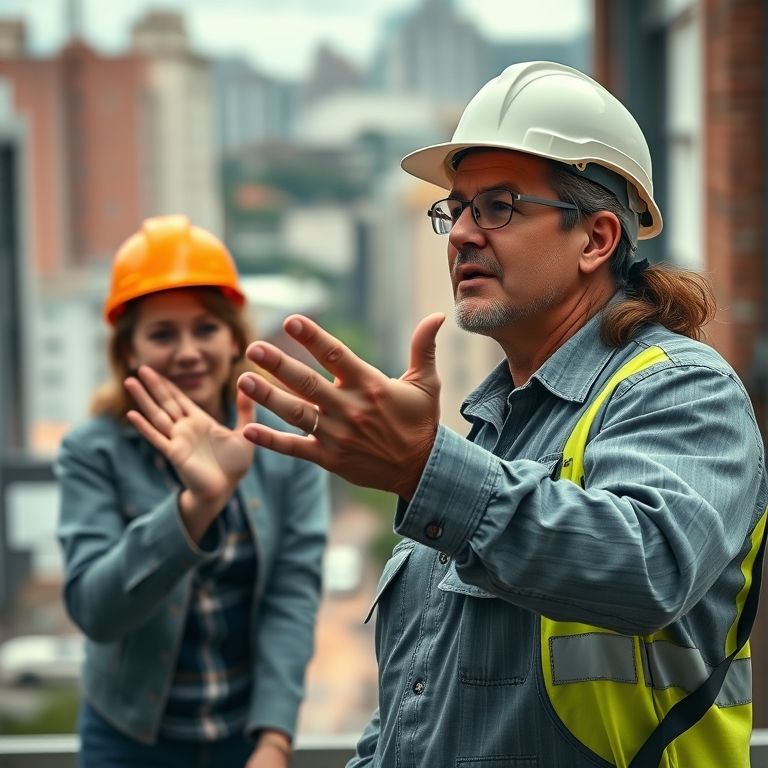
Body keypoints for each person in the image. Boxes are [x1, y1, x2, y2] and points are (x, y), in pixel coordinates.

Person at [234, 61, 768, 767]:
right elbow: (413, 709)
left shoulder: (682, 390)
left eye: (499, 206)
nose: (461, 233)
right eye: (455, 209)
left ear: (597, 239)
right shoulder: (489, 431)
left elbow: (651, 568)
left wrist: (423, 468)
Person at [56, 215, 329, 768]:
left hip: (245, 736)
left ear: (234, 339)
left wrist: (275, 739)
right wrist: (195, 506)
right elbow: (95, 611)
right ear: (128, 351)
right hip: (128, 743)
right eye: (162, 334)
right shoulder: (93, 451)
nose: (187, 352)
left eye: (205, 328)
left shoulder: (284, 443)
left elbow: (292, 595)